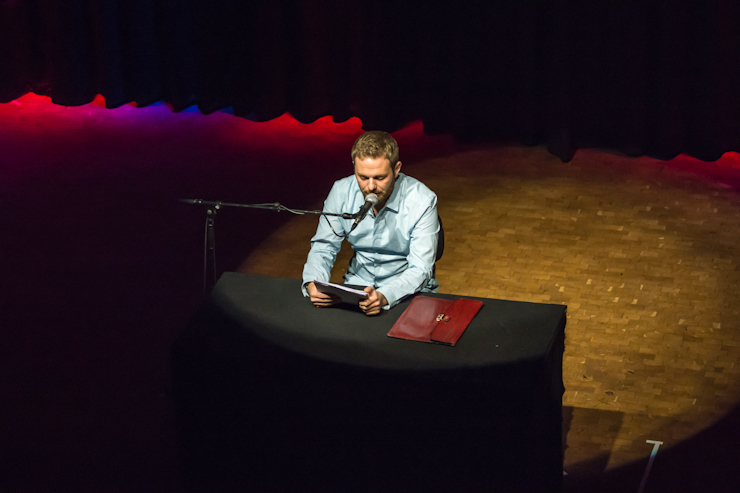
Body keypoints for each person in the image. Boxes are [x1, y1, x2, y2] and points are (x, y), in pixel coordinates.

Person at [302, 131, 439, 316]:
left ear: (397, 169)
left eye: (380, 178)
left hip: (405, 291)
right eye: (363, 177)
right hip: (357, 287)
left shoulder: (422, 200)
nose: (371, 187)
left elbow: (421, 268)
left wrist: (384, 296)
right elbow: (324, 246)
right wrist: (314, 283)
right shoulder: (341, 191)